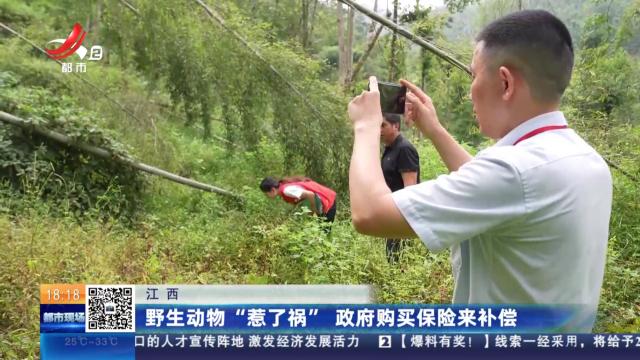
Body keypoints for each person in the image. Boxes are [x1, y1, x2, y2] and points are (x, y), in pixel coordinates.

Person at [347, 10, 612, 332]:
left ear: (505, 82)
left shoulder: (516, 170)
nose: (470, 90)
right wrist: (435, 131)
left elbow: (370, 214)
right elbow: (495, 190)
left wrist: (365, 126)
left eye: (474, 75)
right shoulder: (583, 159)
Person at [380, 113, 420, 263]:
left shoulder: (404, 149)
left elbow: (410, 189)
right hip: (391, 215)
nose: (380, 130)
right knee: (391, 259)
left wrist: (404, 220)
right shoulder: (389, 149)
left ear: (396, 126)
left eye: (383, 125)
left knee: (400, 261)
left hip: (402, 216)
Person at [260, 176, 337, 229]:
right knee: (320, 230)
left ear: (272, 190)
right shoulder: (284, 186)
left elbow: (310, 194)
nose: (267, 196)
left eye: (266, 194)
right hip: (325, 200)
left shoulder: (286, 190)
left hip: (327, 201)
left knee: (324, 232)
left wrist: (313, 211)